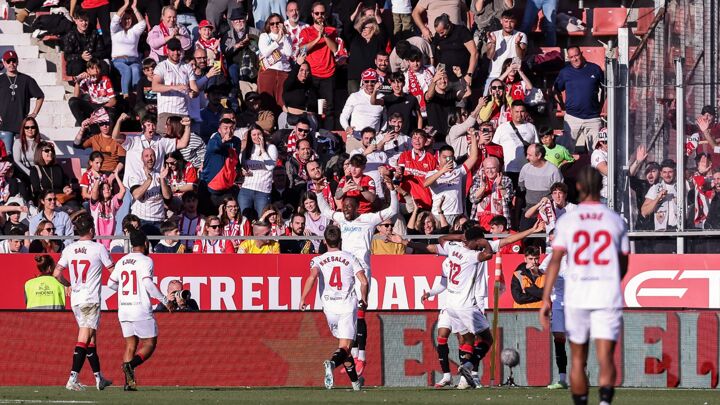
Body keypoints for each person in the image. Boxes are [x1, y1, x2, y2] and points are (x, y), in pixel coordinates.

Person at [540, 166, 629, 405]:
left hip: (577, 295)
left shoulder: (568, 221)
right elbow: (623, 265)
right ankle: (604, 403)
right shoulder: (615, 220)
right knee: (605, 356)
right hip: (606, 294)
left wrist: (545, 298)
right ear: (601, 187)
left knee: (578, 358)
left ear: (578, 188)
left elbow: (555, 262)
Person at [315, 176, 399, 375]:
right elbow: (326, 211)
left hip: (361, 269)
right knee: (348, 315)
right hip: (345, 271)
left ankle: (360, 356)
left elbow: (392, 211)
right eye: (344, 207)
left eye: (349, 207)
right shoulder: (341, 218)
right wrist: (319, 192)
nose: (346, 210)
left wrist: (392, 191)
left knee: (360, 311)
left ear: (357, 207)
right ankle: (351, 355)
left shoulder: (367, 220)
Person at [419, 227, 496, 389]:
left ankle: (464, 376)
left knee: (467, 339)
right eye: (478, 241)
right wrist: (485, 242)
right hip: (465, 305)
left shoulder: (452, 250)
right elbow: (488, 254)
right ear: (476, 241)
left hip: (451, 305)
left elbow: (441, 239)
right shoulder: (471, 255)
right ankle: (469, 366)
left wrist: (461, 237)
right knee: (487, 339)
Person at [299, 226, 367, 390]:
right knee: (345, 347)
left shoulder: (318, 260)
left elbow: (312, 277)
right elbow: (363, 281)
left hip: (329, 308)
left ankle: (355, 383)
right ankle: (331, 363)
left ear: (324, 241)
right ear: (340, 240)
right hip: (347, 306)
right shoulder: (350, 258)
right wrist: (363, 298)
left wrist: (303, 298)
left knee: (344, 348)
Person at [52, 214, 114, 391]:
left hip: (77, 300)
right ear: (92, 230)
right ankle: (72, 378)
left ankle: (98, 378)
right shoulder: (98, 248)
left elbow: (56, 274)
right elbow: (112, 271)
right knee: (84, 337)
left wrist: (69, 284)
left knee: (91, 338)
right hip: (90, 299)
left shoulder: (70, 248)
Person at [107, 230, 173, 391]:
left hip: (124, 309)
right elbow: (148, 284)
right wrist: (165, 300)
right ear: (145, 243)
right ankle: (130, 365)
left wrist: (123, 291)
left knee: (131, 345)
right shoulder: (146, 261)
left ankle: (129, 383)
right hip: (140, 308)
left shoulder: (122, 261)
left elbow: (110, 284)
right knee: (150, 343)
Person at [554, 46, 605, 154]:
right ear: (568, 58)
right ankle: (566, 171)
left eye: (576, 55)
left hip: (593, 118)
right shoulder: (565, 72)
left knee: (597, 153)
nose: (575, 59)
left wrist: (600, 106)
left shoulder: (595, 69)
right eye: (571, 57)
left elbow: (605, 88)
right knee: (566, 152)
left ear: (581, 54)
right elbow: (556, 90)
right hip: (572, 118)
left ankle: (595, 171)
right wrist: (562, 105)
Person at [298, 2, 339, 130]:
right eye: (317, 13)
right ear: (312, 14)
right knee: (313, 108)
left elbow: (335, 49)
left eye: (322, 13)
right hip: (313, 75)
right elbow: (302, 50)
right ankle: (314, 134)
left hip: (328, 74)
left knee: (329, 109)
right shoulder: (306, 31)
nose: (320, 16)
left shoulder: (332, 31)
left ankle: (329, 136)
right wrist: (317, 38)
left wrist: (325, 35)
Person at [424, 135, 478, 225]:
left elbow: (473, 157)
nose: (447, 160)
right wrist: (442, 171)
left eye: (450, 157)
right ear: (438, 157)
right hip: (439, 214)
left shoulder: (459, 171)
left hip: (457, 214)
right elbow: (425, 184)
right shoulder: (432, 173)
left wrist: (473, 137)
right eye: (444, 157)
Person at [540, 229, 569, 390]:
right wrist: (534, 270)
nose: (552, 245)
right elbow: (541, 271)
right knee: (558, 338)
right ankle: (562, 378)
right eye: (550, 242)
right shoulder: (550, 258)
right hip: (558, 302)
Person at [0, 51, 44, 154]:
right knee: (7, 154)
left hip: (23, 125)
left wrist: (34, 113)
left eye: (13, 61)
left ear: (17, 62)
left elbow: (40, 96)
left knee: (24, 155)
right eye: (8, 61)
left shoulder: (26, 79)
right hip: (4, 125)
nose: (11, 63)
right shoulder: (1, 80)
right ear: (4, 63)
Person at [152, 38, 199, 128]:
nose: (176, 53)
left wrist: (193, 93)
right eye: (173, 50)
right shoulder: (161, 66)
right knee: (165, 140)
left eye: (178, 50)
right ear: (167, 50)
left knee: (184, 141)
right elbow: (155, 86)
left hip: (183, 112)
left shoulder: (187, 67)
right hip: (166, 112)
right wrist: (174, 87)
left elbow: (195, 89)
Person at [200, 118, 243, 210]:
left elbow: (235, 159)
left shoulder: (236, 142)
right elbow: (214, 147)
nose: (229, 131)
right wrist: (223, 141)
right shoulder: (214, 140)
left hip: (227, 187)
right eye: (225, 128)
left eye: (231, 128)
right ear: (219, 129)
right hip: (210, 186)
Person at [128, 148, 173, 235]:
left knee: (157, 248)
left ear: (155, 158)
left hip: (159, 221)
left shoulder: (161, 174)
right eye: (146, 156)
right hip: (141, 220)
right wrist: (149, 180)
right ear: (142, 159)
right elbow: (136, 195)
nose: (150, 158)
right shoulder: (136, 174)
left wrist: (162, 180)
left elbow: (167, 196)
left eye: (152, 155)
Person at [519, 143, 564, 229]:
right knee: (525, 237)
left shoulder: (553, 171)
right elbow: (521, 189)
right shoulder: (525, 168)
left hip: (547, 210)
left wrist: (548, 199)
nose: (527, 157)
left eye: (530, 155)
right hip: (529, 209)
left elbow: (560, 192)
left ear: (539, 155)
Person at [492, 101, 538, 183]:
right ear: (511, 112)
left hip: (527, 170)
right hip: (507, 170)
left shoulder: (532, 127)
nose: (519, 114)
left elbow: (537, 148)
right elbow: (495, 149)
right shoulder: (502, 128)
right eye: (516, 111)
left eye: (522, 111)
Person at [430, 14, 477, 93]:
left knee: (461, 102)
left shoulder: (461, 31)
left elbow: (474, 53)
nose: (440, 35)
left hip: (461, 76)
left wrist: (469, 74)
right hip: (445, 80)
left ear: (448, 26)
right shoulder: (438, 35)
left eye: (442, 32)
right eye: (438, 33)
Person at [239, 124, 279, 217]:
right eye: (254, 135)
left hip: (263, 191)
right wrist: (243, 171)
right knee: (244, 218)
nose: (257, 137)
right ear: (250, 136)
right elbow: (242, 166)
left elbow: (270, 166)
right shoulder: (247, 150)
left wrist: (262, 149)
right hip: (246, 189)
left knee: (262, 219)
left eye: (259, 134)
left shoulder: (271, 148)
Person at [110, 0, 147, 99]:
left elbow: (143, 23)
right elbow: (115, 19)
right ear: (121, 20)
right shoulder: (115, 30)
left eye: (129, 19)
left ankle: (136, 96)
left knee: (135, 69)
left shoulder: (134, 31)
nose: (127, 21)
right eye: (125, 19)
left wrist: (135, 8)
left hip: (133, 60)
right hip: (118, 60)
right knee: (126, 70)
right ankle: (125, 95)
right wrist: (125, 5)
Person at [257, 13, 294, 110]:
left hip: (284, 72)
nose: (275, 26)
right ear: (268, 25)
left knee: (282, 101)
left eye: (277, 23)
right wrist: (277, 41)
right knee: (267, 101)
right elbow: (265, 52)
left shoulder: (287, 36)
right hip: (268, 71)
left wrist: (284, 36)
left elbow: (289, 53)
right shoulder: (264, 36)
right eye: (272, 23)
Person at [485, 10, 527, 93]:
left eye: (511, 22)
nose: (508, 25)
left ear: (515, 22)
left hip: (513, 76)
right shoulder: (494, 34)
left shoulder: (521, 35)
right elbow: (489, 56)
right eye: (506, 21)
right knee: (487, 102)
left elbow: (521, 56)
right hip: (495, 75)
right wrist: (493, 43)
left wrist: (517, 44)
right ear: (501, 21)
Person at [469, 156, 514, 229]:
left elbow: (508, 198)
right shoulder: (477, 179)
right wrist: (483, 186)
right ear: (483, 169)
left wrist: (500, 186)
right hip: (480, 220)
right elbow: (473, 199)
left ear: (498, 168)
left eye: (493, 168)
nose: (490, 171)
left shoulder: (506, 180)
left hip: (499, 221)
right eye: (487, 168)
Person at [397, 129, 438, 210]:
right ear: (411, 141)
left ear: (425, 141)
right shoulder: (404, 155)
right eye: (415, 138)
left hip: (424, 201)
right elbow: (399, 175)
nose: (417, 140)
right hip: (406, 201)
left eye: (420, 138)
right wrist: (397, 174)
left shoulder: (431, 159)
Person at [69, 59, 118, 126]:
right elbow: (76, 97)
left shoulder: (105, 80)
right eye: (92, 68)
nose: (96, 71)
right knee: (72, 101)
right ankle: (83, 126)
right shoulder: (86, 80)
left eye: (97, 68)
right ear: (88, 71)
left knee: (111, 115)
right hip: (92, 106)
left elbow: (113, 101)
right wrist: (78, 81)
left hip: (104, 106)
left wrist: (100, 110)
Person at [340, 69, 386, 139]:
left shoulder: (382, 97)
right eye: (366, 81)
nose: (369, 84)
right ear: (362, 82)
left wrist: (381, 131)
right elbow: (344, 116)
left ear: (377, 82)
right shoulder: (354, 96)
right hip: (355, 137)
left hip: (374, 139)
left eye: (373, 81)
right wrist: (347, 127)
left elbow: (386, 118)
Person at [62, 10, 108, 77]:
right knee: (77, 67)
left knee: (104, 66)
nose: (84, 23)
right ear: (76, 21)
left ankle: (102, 86)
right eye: (81, 21)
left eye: (86, 20)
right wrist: (81, 56)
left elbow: (101, 52)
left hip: (92, 61)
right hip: (77, 63)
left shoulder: (94, 33)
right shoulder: (70, 35)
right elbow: (67, 56)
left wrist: (91, 55)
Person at [12, 116, 42, 184]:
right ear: (23, 128)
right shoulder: (18, 142)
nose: (30, 129)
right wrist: (30, 173)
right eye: (27, 127)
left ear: (36, 128)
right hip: (24, 172)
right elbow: (17, 161)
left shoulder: (41, 142)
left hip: (39, 172)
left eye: (33, 127)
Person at [591, 129, 609, 203]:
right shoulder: (597, 154)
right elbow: (606, 171)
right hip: (604, 196)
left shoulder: (617, 151)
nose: (608, 144)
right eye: (606, 142)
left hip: (618, 193)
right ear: (600, 142)